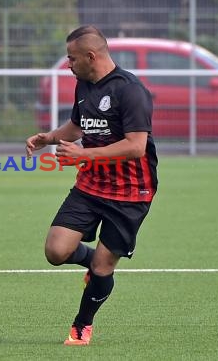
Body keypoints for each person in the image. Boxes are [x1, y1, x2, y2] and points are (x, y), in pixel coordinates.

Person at [25, 25, 158, 346]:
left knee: (102, 266)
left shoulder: (131, 91)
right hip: (91, 185)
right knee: (56, 251)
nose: (68, 64)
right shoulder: (83, 84)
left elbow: (136, 146)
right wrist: (50, 137)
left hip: (130, 192)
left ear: (91, 56)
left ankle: (82, 324)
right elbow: (77, 124)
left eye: (71, 58)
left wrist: (84, 154)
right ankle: (95, 264)